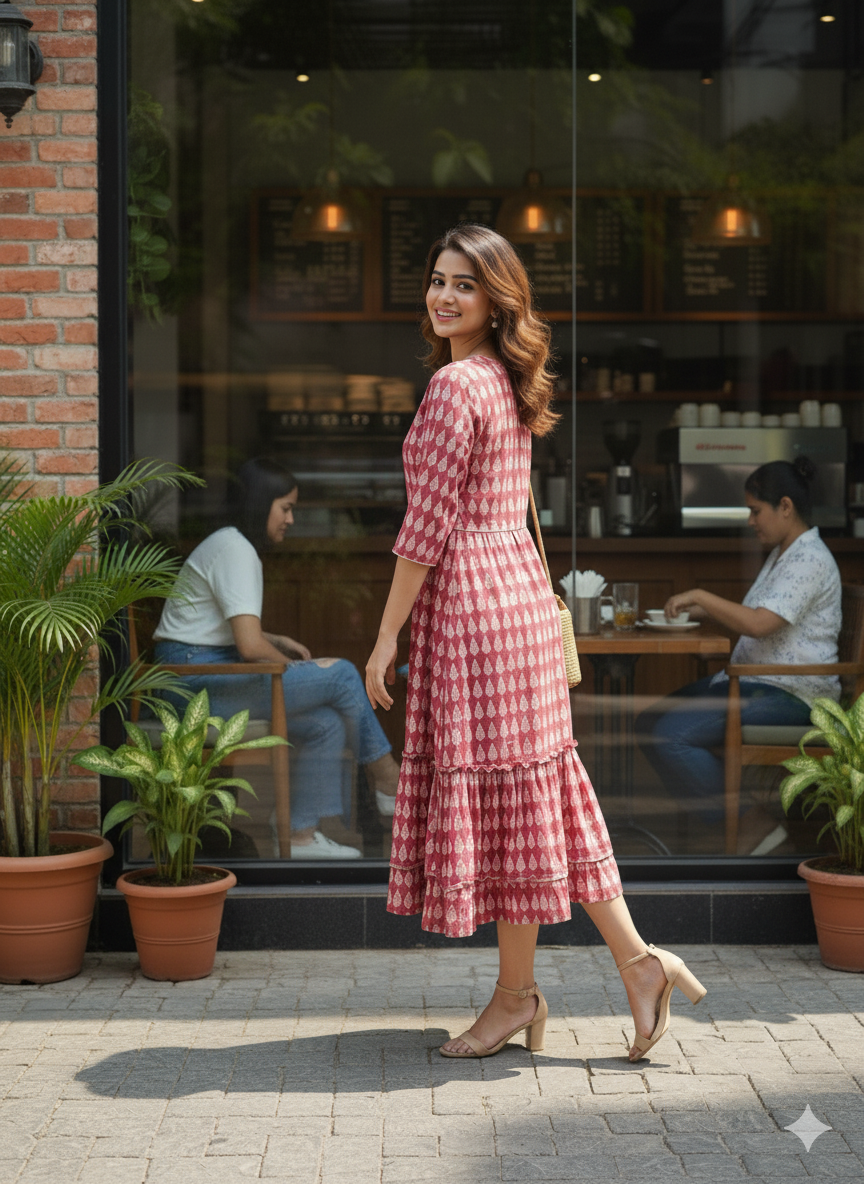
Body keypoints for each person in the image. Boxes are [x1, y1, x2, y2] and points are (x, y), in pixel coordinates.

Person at [365, 223, 706, 1062]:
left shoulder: (454, 389)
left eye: (464, 285)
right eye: (438, 280)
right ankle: (621, 967)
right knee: (533, 803)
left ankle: (537, 991)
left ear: (496, 299)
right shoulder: (503, 381)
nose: (444, 296)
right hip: (514, 602)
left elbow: (424, 532)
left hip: (474, 617)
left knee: (518, 806)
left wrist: (383, 638)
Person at [153, 458, 402, 859]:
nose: (290, 519)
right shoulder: (236, 550)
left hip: (199, 672)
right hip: (192, 685)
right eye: (285, 508)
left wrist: (276, 638)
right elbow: (249, 648)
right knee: (340, 675)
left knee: (325, 722)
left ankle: (300, 835)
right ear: (261, 503)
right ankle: (388, 777)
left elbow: (224, 630)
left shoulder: (231, 543)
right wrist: (298, 667)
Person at [636, 456, 841, 854]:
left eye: (755, 510)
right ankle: (739, 822)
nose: (751, 521)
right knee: (650, 722)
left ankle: (751, 824)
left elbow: (760, 624)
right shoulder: (785, 554)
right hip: (756, 683)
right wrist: (693, 610)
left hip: (791, 695)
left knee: (670, 736)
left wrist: (700, 596)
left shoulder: (810, 559)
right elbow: (755, 616)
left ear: (785, 506)